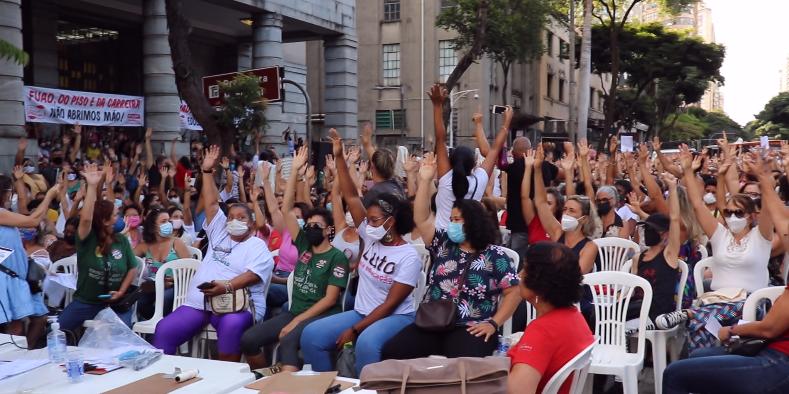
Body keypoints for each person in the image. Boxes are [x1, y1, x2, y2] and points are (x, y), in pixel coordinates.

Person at [300, 129, 421, 377]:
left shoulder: (409, 256)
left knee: (366, 343)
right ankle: (331, 386)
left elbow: (389, 306)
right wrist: (340, 157)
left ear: (393, 222)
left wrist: (355, 330)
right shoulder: (369, 233)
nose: (370, 225)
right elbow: (351, 195)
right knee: (311, 335)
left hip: (396, 317)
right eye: (371, 220)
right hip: (361, 311)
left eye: (376, 221)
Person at [381, 153, 520, 360]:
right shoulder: (444, 243)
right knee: (393, 350)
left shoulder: (495, 256)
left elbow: (514, 292)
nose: (452, 224)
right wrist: (425, 181)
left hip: (471, 327)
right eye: (451, 219)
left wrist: (493, 323)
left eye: (457, 220)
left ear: (473, 222)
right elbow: (421, 217)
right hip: (433, 321)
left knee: (462, 366)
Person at [152, 145, 274, 362]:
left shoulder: (257, 245)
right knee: (164, 329)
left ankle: (226, 379)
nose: (234, 221)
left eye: (241, 218)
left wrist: (225, 286)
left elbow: (252, 276)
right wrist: (207, 172)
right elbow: (210, 203)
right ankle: (163, 379)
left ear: (252, 224)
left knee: (232, 326)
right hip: (200, 302)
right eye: (231, 217)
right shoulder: (219, 231)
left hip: (236, 305)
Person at [240, 146, 349, 373]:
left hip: (320, 316)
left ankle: (286, 385)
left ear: (329, 230)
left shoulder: (336, 257)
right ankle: (264, 379)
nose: (310, 229)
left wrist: (295, 322)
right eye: (308, 225)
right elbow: (287, 209)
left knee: (288, 340)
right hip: (294, 312)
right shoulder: (304, 245)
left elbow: (329, 300)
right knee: (249, 339)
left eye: (317, 226)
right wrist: (294, 174)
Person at [655, 145, 773, 352]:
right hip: (717, 300)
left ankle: (690, 315)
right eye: (728, 213)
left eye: (738, 213)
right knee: (704, 322)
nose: (732, 217)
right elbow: (697, 204)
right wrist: (688, 172)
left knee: (701, 318)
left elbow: (770, 207)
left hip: (749, 303)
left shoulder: (761, 236)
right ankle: (701, 364)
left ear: (751, 216)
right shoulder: (720, 234)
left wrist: (764, 177)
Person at [662, 285, 789, 394]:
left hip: (780, 360)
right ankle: (692, 313)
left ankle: (691, 313)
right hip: (772, 349)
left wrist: (731, 330)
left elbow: (769, 329)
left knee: (674, 374)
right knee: (698, 355)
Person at [58, 163, 139, 333]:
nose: (119, 218)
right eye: (116, 215)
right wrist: (92, 187)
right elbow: (87, 219)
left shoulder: (121, 241)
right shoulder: (87, 239)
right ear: (104, 220)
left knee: (122, 335)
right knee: (56, 331)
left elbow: (132, 268)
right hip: (86, 302)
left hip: (115, 304)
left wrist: (121, 291)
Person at [507, 242, 594, 394]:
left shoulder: (543, 330)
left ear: (539, 282)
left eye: (525, 269)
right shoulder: (574, 317)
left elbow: (518, 390)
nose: (520, 275)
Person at [427, 84, 511, 231]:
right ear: (473, 166)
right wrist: (506, 123)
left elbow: (440, 138)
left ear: (450, 163)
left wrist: (437, 105)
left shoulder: (445, 179)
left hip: (441, 242)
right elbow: (495, 149)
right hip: (468, 240)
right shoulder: (479, 181)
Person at [0, 172, 60, 347]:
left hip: (18, 277)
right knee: (15, 326)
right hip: (6, 278)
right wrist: (49, 195)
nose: (10, 195)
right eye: (9, 191)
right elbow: (33, 220)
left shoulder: (5, 213)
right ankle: (12, 362)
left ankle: (26, 353)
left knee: (39, 317)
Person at [532, 145, 599, 274]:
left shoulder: (590, 247)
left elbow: (576, 275)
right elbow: (541, 203)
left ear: (584, 218)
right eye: (565, 209)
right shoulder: (557, 233)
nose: (566, 214)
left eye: (572, 211)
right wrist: (537, 169)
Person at [628, 174, 681, 325]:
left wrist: (672, 188)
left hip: (657, 314)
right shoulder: (638, 258)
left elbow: (675, 219)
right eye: (647, 228)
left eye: (653, 230)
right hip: (636, 310)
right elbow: (633, 289)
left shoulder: (669, 254)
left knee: (618, 325)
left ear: (665, 234)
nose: (648, 232)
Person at [134, 207, 191, 320]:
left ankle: (162, 327)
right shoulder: (145, 245)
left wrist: (175, 279)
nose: (169, 224)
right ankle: (155, 325)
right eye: (164, 221)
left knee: (165, 298)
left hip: (175, 285)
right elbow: (129, 258)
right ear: (153, 227)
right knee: (140, 301)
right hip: (153, 285)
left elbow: (190, 268)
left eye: (169, 221)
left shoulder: (176, 243)